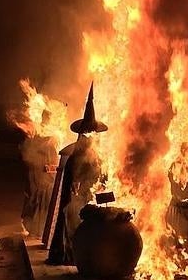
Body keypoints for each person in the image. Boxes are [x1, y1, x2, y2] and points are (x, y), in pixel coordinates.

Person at [47, 83, 107, 265]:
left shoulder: (96, 154)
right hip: (78, 202)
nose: (91, 136)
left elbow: (101, 178)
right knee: (75, 228)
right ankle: (72, 255)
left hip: (88, 199)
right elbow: (74, 182)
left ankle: (79, 256)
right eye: (89, 133)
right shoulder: (78, 155)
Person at [20, 111, 59, 237]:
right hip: (37, 175)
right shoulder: (38, 136)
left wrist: (53, 169)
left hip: (46, 178)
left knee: (43, 202)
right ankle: (34, 229)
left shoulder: (52, 138)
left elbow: (53, 160)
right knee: (35, 199)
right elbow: (28, 155)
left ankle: (39, 230)